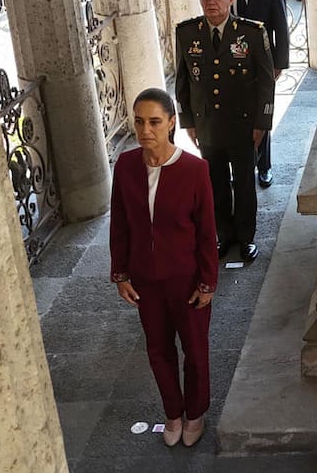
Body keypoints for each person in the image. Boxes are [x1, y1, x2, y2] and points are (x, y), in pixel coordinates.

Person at [109, 88, 218, 448]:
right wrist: (121, 274)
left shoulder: (194, 170)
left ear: (171, 123)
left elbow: (206, 233)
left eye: (155, 122)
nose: (146, 130)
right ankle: (173, 412)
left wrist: (207, 284)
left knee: (195, 350)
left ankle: (196, 411)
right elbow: (120, 224)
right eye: (139, 122)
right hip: (146, 281)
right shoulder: (125, 166)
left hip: (187, 281)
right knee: (158, 349)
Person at [175, 0, 275, 263]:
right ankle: (224, 234)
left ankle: (246, 238)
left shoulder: (251, 33)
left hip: (242, 125)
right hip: (207, 126)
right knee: (214, 183)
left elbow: (266, 83)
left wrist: (262, 123)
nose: (211, 3)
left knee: (244, 183)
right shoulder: (187, 33)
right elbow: (183, 82)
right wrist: (188, 122)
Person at [225, 0, 289, 189]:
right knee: (232, 118)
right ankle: (238, 167)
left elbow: (281, 29)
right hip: (229, 68)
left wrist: (279, 64)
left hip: (262, 67)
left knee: (261, 115)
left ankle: (264, 167)